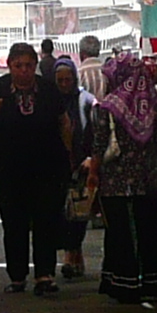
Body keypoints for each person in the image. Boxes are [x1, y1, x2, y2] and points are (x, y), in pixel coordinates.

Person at [0, 43, 78, 294]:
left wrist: (69, 157)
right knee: (14, 223)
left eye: (28, 66)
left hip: (47, 168)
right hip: (8, 169)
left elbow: (64, 122)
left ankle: (44, 274)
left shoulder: (48, 90)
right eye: (18, 66)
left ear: (35, 66)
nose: (23, 71)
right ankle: (17, 276)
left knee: (46, 220)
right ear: (10, 66)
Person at [85, 53, 157, 304]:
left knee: (120, 234)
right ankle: (156, 282)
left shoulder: (108, 108)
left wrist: (93, 173)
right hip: (149, 180)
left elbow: (100, 145)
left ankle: (123, 283)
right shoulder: (154, 104)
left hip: (115, 183)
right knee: (151, 231)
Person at [50, 57, 94, 282]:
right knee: (63, 212)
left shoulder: (85, 100)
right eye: (60, 80)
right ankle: (70, 255)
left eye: (68, 80)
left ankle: (75, 254)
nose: (64, 84)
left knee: (79, 211)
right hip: (57, 165)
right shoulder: (50, 101)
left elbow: (94, 129)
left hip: (80, 163)